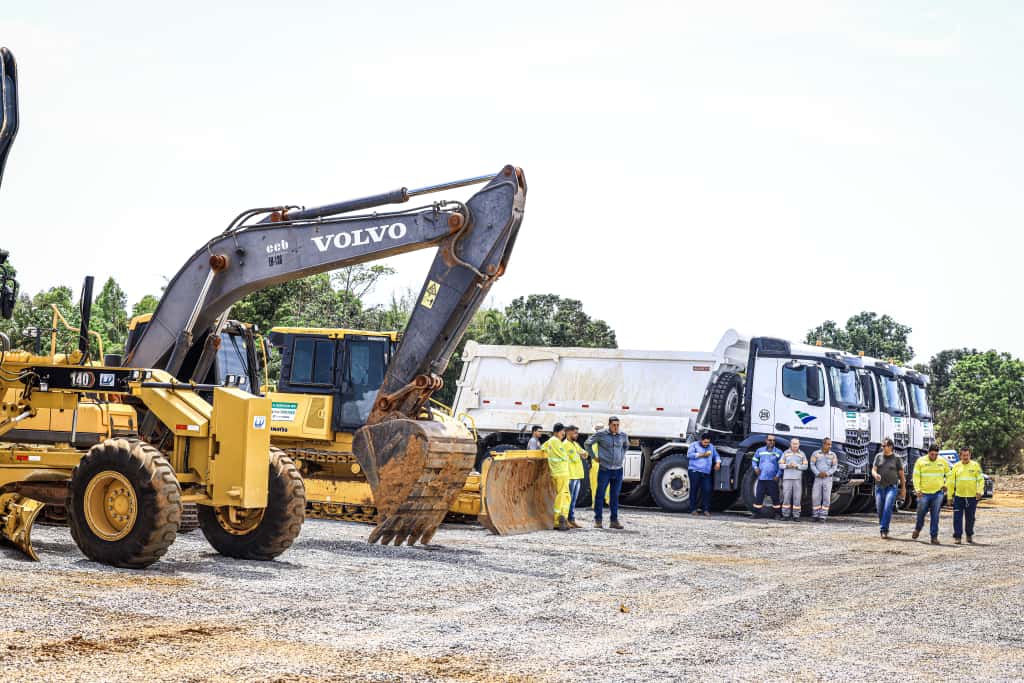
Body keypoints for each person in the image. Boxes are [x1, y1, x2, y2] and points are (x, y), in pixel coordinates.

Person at [585, 416, 629, 529]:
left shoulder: (623, 435)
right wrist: (594, 457)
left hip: (618, 470)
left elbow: (626, 446)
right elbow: (587, 444)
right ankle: (598, 520)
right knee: (599, 495)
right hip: (605, 469)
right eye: (614, 425)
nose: (616, 427)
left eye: (617, 425)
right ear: (609, 425)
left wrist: (621, 456)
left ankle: (614, 521)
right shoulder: (601, 434)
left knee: (614, 496)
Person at [912, 444, 949, 544]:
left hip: (938, 493)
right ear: (928, 453)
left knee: (935, 515)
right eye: (932, 454)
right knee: (921, 514)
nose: (934, 457)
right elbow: (916, 477)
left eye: (936, 455)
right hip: (923, 494)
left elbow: (949, 475)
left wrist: (946, 485)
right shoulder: (920, 461)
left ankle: (934, 537)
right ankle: (918, 529)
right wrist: (917, 489)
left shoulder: (942, 461)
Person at [947, 446, 985, 545]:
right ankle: (958, 537)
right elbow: (951, 482)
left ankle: (969, 535)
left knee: (970, 518)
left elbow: (980, 479)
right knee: (957, 518)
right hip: (959, 497)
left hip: (972, 497)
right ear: (960, 456)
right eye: (963, 455)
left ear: (970, 455)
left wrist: (979, 491)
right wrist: (950, 497)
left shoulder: (975, 465)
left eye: (967, 455)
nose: (965, 457)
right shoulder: (956, 466)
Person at [872, 438, 906, 539]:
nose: (882, 447)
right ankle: (883, 524)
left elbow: (901, 475)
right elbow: (873, 470)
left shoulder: (897, 458)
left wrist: (903, 488)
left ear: (890, 447)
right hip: (879, 487)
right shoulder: (878, 457)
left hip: (892, 487)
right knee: (880, 509)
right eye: (882, 446)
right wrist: (875, 475)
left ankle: (884, 530)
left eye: (884, 446)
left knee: (887, 507)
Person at [542, 423, 571, 531]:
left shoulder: (550, 442)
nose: (563, 434)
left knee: (565, 496)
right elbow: (564, 456)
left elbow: (542, 448)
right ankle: (558, 520)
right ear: (556, 432)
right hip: (561, 473)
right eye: (562, 431)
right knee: (561, 496)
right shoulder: (556, 442)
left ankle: (563, 517)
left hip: (556, 473)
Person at [687, 433, 721, 516]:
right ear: (701, 440)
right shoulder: (694, 445)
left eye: (708, 443)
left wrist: (718, 463)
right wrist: (703, 455)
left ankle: (705, 509)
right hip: (695, 471)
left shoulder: (711, 447)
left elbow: (716, 456)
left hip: (706, 472)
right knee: (694, 490)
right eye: (705, 442)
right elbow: (689, 455)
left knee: (707, 490)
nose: (706, 444)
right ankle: (693, 509)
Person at [751, 436, 783, 519]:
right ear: (766, 441)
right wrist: (755, 468)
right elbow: (754, 460)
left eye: (773, 440)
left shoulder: (779, 452)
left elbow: (781, 465)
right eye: (770, 440)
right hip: (761, 478)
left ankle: (777, 514)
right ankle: (756, 514)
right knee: (759, 497)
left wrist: (778, 475)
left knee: (775, 497)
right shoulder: (760, 450)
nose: (772, 442)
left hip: (772, 479)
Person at [809, 437, 838, 522]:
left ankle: (823, 516)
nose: (830, 446)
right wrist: (818, 473)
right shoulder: (816, 454)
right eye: (828, 444)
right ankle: (815, 515)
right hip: (818, 478)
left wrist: (827, 473)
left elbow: (834, 467)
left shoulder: (833, 455)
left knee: (826, 498)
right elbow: (812, 464)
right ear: (824, 444)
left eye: (830, 444)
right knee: (815, 497)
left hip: (827, 479)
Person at [778, 438, 808, 522]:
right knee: (786, 497)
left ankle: (796, 516)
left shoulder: (802, 454)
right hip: (787, 478)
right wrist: (787, 466)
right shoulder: (785, 453)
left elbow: (806, 466)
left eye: (796, 444)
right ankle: (785, 515)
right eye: (793, 444)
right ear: (790, 444)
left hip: (797, 479)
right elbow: (780, 464)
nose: (795, 445)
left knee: (797, 498)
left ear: (799, 444)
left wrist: (797, 466)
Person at [564, 425, 587, 528]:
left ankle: (572, 519)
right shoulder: (566, 445)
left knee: (574, 500)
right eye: (575, 433)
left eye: (577, 433)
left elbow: (585, 454)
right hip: (571, 476)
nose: (577, 435)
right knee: (569, 499)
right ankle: (567, 519)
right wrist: (580, 454)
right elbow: (576, 457)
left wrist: (581, 454)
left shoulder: (575, 444)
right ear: (568, 433)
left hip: (577, 475)